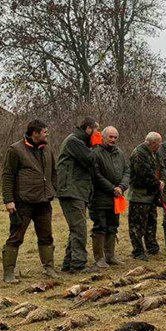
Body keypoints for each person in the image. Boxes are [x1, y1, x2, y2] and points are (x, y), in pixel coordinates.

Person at [1, 119, 58, 283]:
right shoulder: (15, 150)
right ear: (35, 133)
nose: (47, 135)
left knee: (46, 236)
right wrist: (8, 200)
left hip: (44, 201)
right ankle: (9, 273)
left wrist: (52, 188)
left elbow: (53, 171)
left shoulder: (47, 150)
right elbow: (7, 176)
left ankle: (49, 268)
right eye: (45, 132)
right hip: (22, 202)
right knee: (16, 237)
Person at [56, 117, 98, 273]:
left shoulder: (79, 142)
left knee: (76, 228)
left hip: (78, 190)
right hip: (71, 190)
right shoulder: (74, 141)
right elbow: (90, 159)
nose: (97, 133)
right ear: (88, 129)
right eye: (96, 130)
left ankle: (69, 264)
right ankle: (78, 265)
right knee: (79, 228)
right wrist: (97, 145)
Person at [90, 126, 129, 268]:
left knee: (113, 226)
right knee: (100, 227)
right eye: (110, 137)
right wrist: (113, 189)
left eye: (115, 137)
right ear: (103, 137)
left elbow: (127, 171)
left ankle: (110, 255)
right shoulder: (95, 153)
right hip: (99, 197)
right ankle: (99, 258)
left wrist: (122, 187)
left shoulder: (120, 153)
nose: (113, 140)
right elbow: (96, 175)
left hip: (116, 198)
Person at [128, 132, 163, 259]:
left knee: (151, 223)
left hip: (150, 195)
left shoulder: (153, 153)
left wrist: (160, 181)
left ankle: (152, 247)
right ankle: (138, 251)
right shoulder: (139, 153)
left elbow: (160, 168)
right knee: (137, 225)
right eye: (159, 144)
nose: (160, 146)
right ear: (153, 143)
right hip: (139, 195)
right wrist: (158, 183)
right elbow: (144, 174)